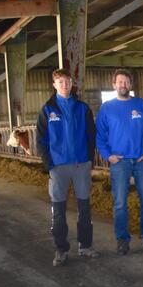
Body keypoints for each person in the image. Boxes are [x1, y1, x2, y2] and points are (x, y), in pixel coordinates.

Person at [36, 68, 99, 266]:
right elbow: (41, 139)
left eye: (67, 81)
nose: (64, 85)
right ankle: (61, 249)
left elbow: (91, 134)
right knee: (58, 209)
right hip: (59, 166)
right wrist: (49, 164)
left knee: (84, 208)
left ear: (72, 83)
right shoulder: (48, 110)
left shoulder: (82, 108)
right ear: (54, 85)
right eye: (60, 82)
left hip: (80, 164)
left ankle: (85, 245)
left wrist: (89, 159)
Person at [96, 68, 143, 256]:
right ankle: (122, 239)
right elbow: (100, 135)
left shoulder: (141, 104)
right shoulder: (107, 108)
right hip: (119, 161)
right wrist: (108, 156)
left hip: (141, 160)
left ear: (130, 85)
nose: (123, 85)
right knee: (120, 202)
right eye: (119, 82)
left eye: (126, 82)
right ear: (114, 85)